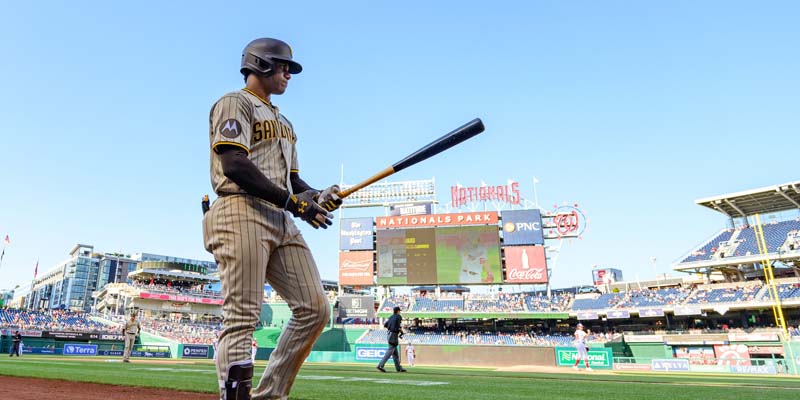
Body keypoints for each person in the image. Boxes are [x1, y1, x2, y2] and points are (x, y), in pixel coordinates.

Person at [202, 37, 341, 400]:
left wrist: (317, 196)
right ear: (261, 64)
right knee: (243, 319)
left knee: (314, 309)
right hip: (240, 210)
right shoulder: (235, 102)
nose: (288, 75)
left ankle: (269, 397)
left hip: (280, 217)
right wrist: (296, 204)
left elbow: (293, 184)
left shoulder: (285, 122)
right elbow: (234, 164)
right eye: (284, 67)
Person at [376, 307, 407, 373]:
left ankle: (398, 368)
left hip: (389, 334)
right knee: (390, 351)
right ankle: (380, 365)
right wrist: (401, 331)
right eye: (399, 311)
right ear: (398, 311)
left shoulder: (391, 317)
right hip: (393, 335)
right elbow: (399, 326)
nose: (400, 312)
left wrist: (391, 327)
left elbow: (385, 325)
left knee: (395, 353)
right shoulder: (398, 316)